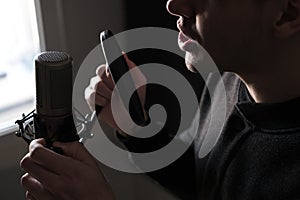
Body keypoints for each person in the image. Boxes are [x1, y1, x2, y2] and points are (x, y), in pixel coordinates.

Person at [20, 0, 300, 199]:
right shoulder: (229, 74)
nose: (174, 5)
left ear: (286, 14)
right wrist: (136, 128)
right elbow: (201, 177)